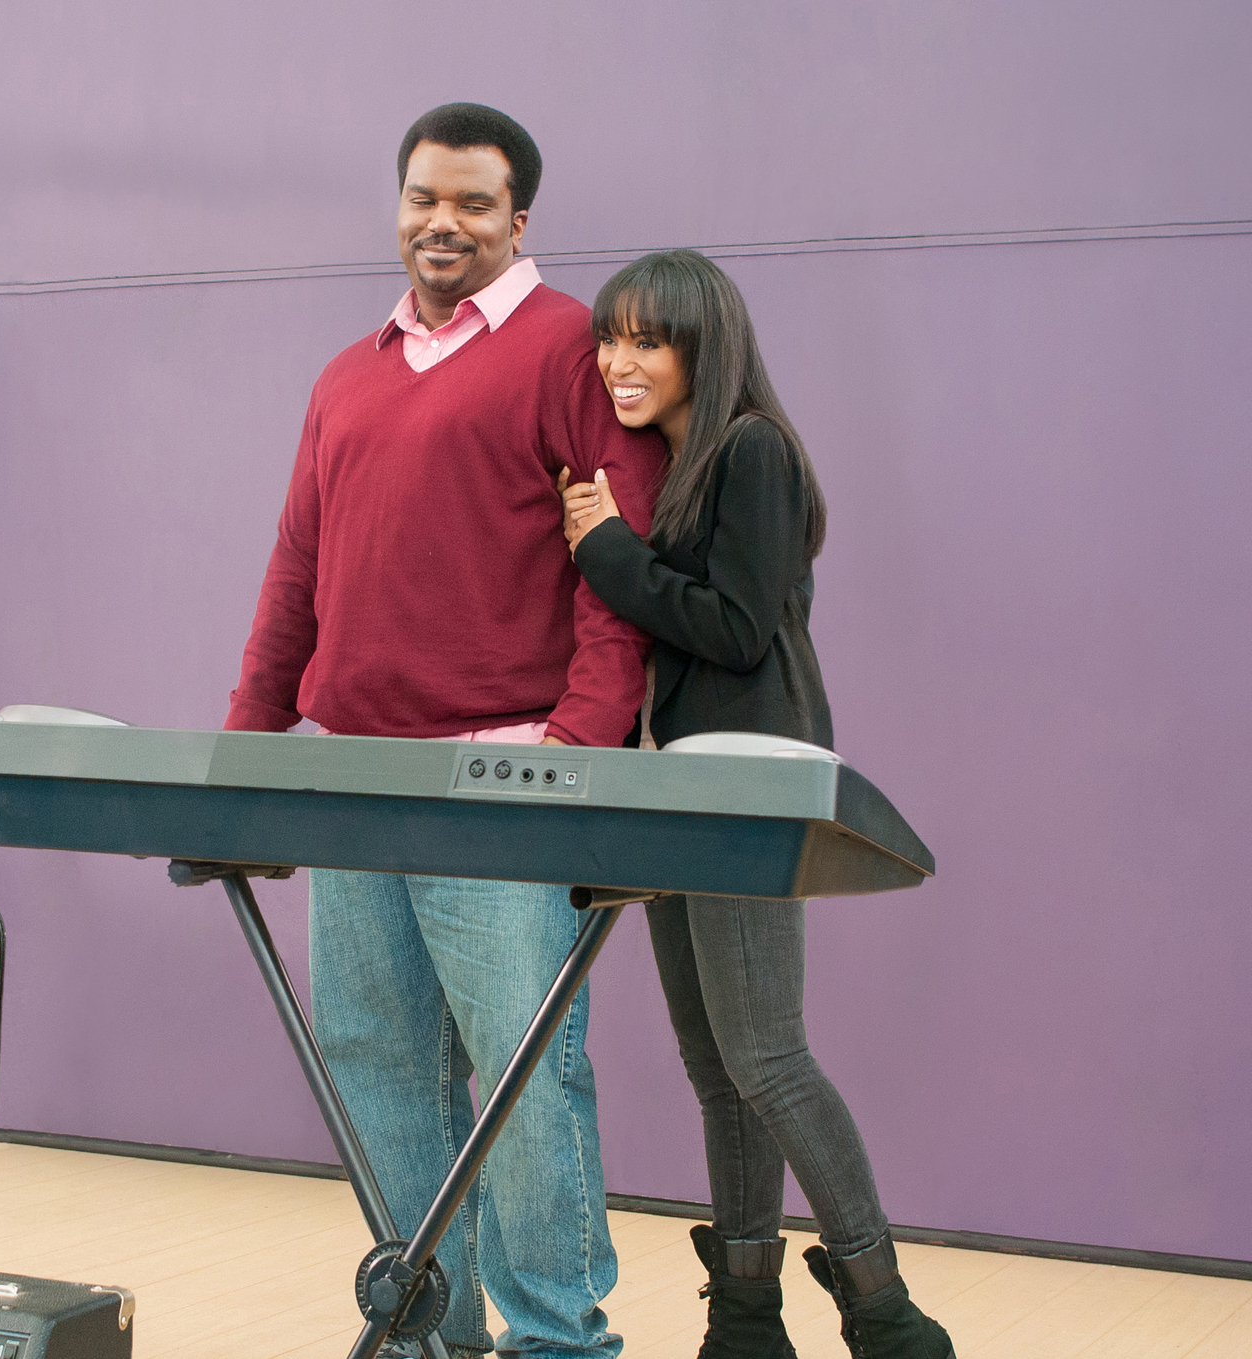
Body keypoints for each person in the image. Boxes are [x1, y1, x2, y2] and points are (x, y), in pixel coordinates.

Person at [226, 103, 669, 1359]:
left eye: (474, 203)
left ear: (518, 219)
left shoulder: (570, 350)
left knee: (525, 1081)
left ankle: (556, 1338)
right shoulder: (345, 375)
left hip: (503, 768)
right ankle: (429, 1331)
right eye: (425, 197)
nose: (443, 222)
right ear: (398, 204)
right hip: (353, 775)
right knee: (378, 1069)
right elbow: (295, 570)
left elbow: (613, 571)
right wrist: (245, 759)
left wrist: (573, 756)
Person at [560, 248, 954, 1359]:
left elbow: (735, 628)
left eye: (647, 338)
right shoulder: (670, 463)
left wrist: (606, 553)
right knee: (715, 1064)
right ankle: (743, 1318)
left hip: (746, 782)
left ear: (703, 345)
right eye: (609, 336)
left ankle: (887, 1317)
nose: (618, 360)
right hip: (682, 786)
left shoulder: (751, 450)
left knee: (766, 1055)